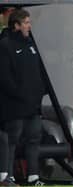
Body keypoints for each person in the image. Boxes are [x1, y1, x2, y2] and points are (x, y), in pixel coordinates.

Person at [0, 9, 46, 186]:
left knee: (34, 140)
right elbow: (5, 77)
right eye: (26, 22)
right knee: (11, 141)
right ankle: (7, 177)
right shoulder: (5, 45)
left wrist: (40, 92)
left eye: (29, 22)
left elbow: (37, 73)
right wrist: (20, 94)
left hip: (33, 106)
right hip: (15, 106)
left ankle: (33, 177)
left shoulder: (30, 45)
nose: (29, 26)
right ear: (16, 25)